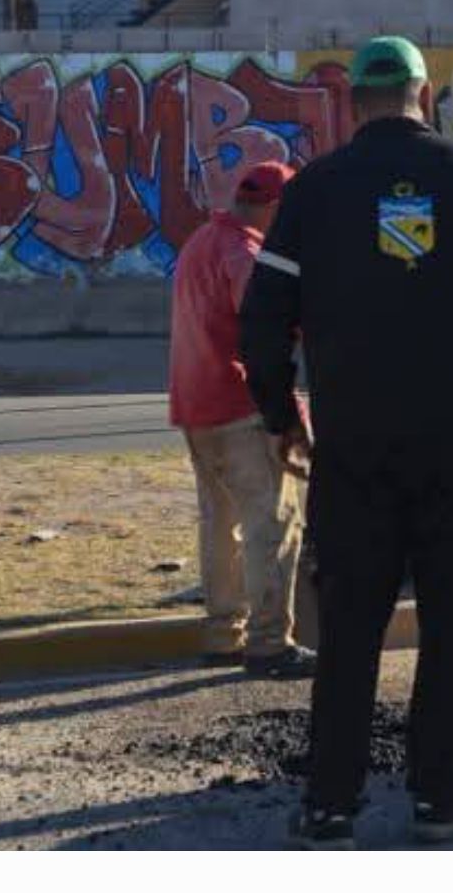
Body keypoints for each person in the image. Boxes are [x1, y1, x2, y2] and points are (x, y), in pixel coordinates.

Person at [239, 34, 453, 848]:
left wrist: (281, 417)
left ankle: (331, 805)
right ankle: (439, 800)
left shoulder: (315, 190)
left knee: (350, 623)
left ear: (352, 103)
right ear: (427, 92)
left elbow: (262, 319)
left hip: (355, 444)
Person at [167, 156, 311, 676]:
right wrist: (291, 411)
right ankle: (270, 642)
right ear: (275, 208)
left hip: (194, 405)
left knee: (220, 523)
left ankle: (223, 634)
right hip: (240, 407)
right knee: (272, 524)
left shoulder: (201, 242)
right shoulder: (246, 254)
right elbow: (265, 332)